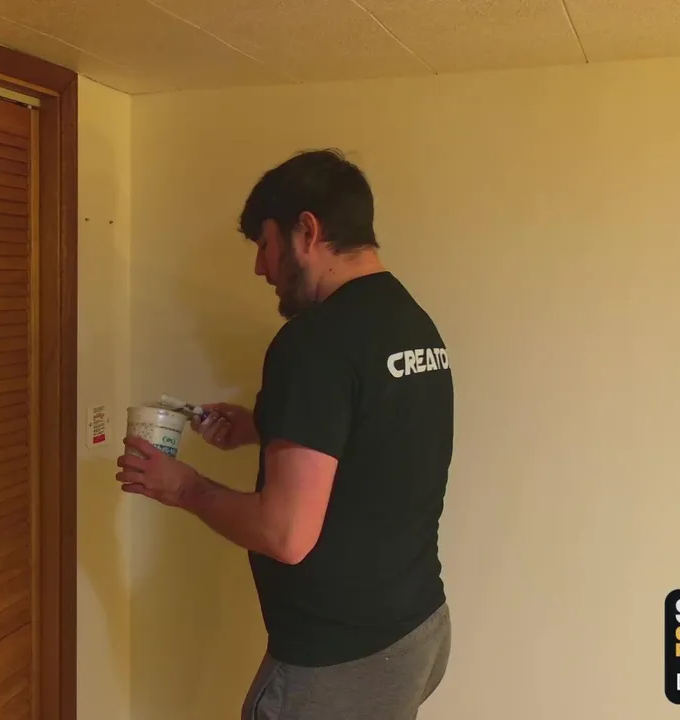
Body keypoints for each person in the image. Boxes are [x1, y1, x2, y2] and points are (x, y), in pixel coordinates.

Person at [115, 149, 454, 720]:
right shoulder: (410, 322)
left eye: (265, 244)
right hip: (418, 630)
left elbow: (285, 534)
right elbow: (376, 434)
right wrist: (265, 426)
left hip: (341, 660)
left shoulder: (314, 341)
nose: (260, 267)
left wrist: (184, 488)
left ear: (307, 231)